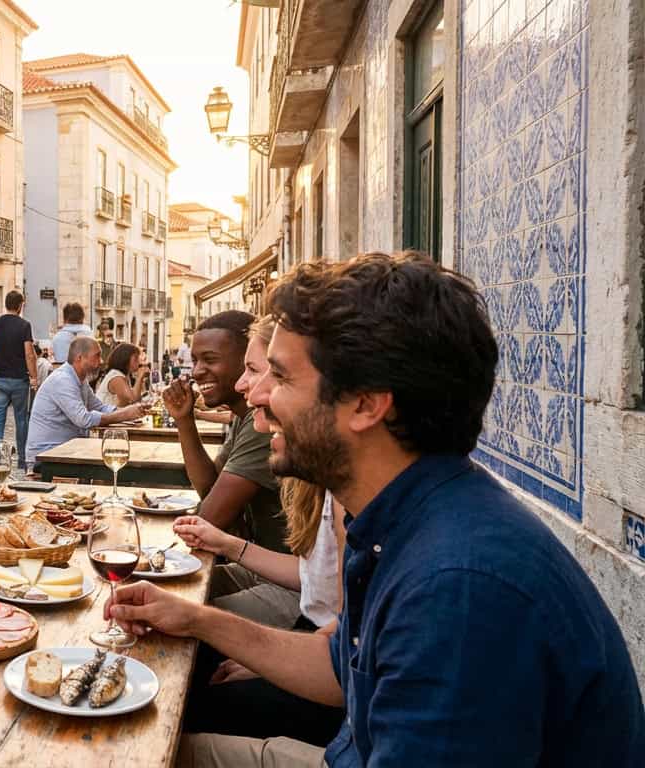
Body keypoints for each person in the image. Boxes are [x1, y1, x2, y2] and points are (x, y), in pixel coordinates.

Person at [108, 254, 645, 767]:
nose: (259, 397)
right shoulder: (410, 519)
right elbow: (343, 667)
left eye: (282, 377)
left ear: (366, 403)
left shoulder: (458, 588)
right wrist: (195, 619)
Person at [173, 316, 346, 747]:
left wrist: (206, 623)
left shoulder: (355, 502)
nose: (250, 390)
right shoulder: (346, 491)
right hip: (317, 638)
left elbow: (345, 647)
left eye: (266, 373)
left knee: (183, 701)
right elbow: (345, 631)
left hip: (344, 715)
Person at [163, 311, 291, 597]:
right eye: (195, 360)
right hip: (263, 570)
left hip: (285, 582)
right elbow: (210, 489)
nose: (196, 371)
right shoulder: (244, 417)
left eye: (209, 360)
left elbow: (210, 516)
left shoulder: (262, 427)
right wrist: (185, 421)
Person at [26, 337, 145, 464]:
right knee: (115, 463)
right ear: (79, 358)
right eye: (97, 356)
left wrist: (130, 412)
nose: (101, 361)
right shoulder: (63, 380)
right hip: (47, 455)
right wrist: (124, 415)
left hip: (66, 450)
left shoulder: (80, 380)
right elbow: (83, 419)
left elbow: (99, 407)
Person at [0, 291, 38, 465]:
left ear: (5, 304)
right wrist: (34, 377)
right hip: (19, 380)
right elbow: (29, 354)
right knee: (21, 419)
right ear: (20, 305)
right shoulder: (24, 325)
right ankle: (23, 460)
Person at [96, 342, 148, 408]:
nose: (139, 362)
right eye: (136, 358)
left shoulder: (124, 375)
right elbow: (133, 400)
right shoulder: (116, 376)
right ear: (125, 359)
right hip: (105, 416)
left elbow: (131, 402)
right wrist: (139, 377)